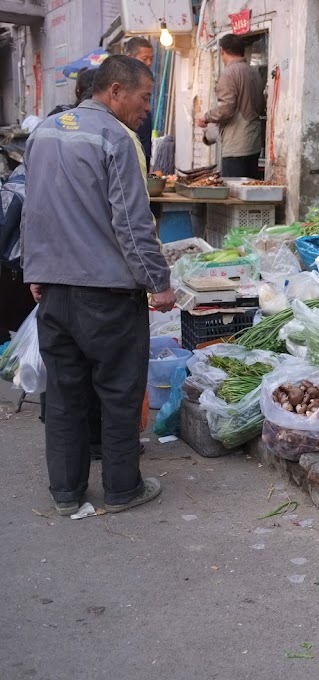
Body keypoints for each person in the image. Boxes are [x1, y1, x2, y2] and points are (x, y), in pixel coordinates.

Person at [21, 55, 175, 517]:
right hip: (106, 295)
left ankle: (66, 494)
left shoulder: (43, 133)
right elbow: (131, 223)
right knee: (119, 392)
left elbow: (34, 208)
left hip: (53, 292)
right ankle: (123, 488)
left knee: (65, 396)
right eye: (144, 97)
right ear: (115, 91)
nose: (147, 108)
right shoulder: (115, 138)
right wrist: (158, 282)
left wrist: (35, 270)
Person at [197, 34, 264, 178]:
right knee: (250, 191)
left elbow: (226, 108)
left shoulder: (229, 73)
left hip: (236, 145)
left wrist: (206, 117)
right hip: (254, 142)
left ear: (222, 51)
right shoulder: (254, 73)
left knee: (233, 193)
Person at [124, 37, 155, 170]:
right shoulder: (122, 82)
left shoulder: (148, 81)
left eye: (151, 59)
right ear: (130, 57)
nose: (149, 63)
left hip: (145, 145)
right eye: (144, 58)